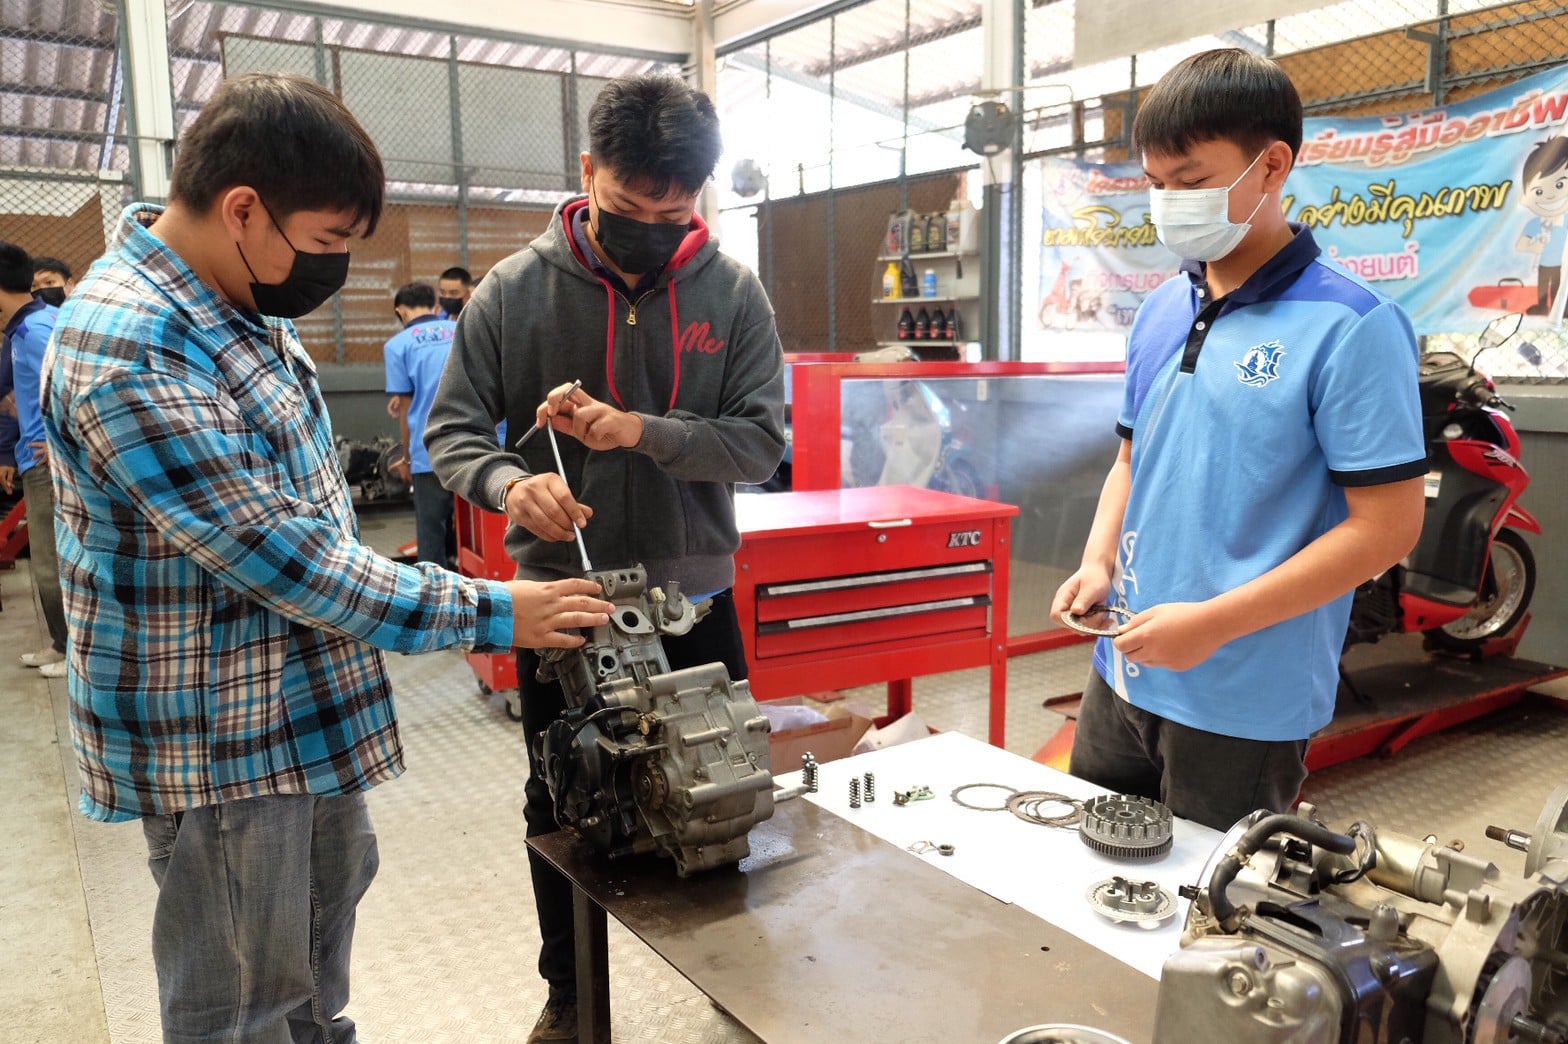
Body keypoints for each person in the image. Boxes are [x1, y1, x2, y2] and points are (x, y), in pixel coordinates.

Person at [40, 72, 614, 1042]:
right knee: (243, 1011)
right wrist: (493, 610)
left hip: (293, 714)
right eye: (327, 244)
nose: (335, 268)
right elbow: (286, 559)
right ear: (243, 209)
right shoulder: (132, 350)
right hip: (218, 746)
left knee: (309, 978)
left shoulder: (234, 293)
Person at [425, 73, 786, 1042]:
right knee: (563, 795)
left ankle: (731, 984)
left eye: (674, 212)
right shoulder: (514, 292)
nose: (652, 227)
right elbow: (451, 434)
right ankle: (570, 995)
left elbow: (758, 445)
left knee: (720, 784)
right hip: (563, 603)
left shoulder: (731, 292)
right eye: (631, 209)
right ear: (586, 173)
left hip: (694, 598)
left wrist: (642, 432)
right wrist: (509, 484)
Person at [1050, 49, 1427, 833]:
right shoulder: (1159, 311)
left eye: (1191, 182)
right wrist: (1097, 560)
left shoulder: (1353, 326)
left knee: (1213, 925)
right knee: (1090, 888)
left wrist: (1214, 624)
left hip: (1243, 699)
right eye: (1156, 184)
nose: (1170, 204)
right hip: (1122, 669)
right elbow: (1131, 458)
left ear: (1273, 165)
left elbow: (1386, 527)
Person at [0, 240, 67, 675]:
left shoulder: (34, 330)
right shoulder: (34, 322)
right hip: (32, 457)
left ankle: (67, 648)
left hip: (45, 464)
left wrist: (60, 440)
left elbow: (72, 382)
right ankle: (63, 644)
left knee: (48, 563)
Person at [384, 280, 457, 565]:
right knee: (476, 530)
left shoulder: (397, 345)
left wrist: (406, 457)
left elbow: (406, 408)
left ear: (400, 311)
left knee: (431, 532)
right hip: (479, 444)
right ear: (435, 306)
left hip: (429, 452)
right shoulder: (460, 329)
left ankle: (437, 600)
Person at [1514, 135, 1568, 316]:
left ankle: (1560, 308)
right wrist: (1534, 245)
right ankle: (1542, 306)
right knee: (1544, 283)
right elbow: (1521, 244)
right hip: (1544, 262)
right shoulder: (1536, 223)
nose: (1551, 195)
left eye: (1560, 184)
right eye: (1539, 190)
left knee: (1558, 284)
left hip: (1561, 264)